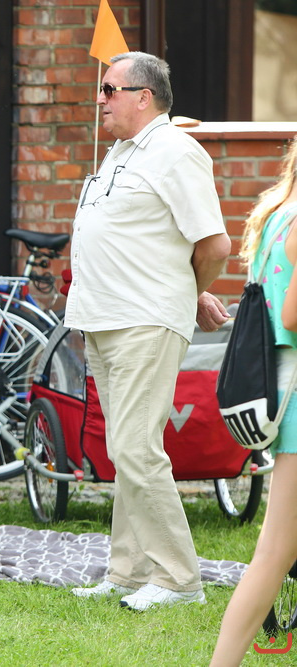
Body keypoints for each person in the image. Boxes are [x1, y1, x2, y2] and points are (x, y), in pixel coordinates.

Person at [64, 52, 230, 610]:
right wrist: (191, 291)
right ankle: (129, 571)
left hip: (144, 320)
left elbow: (213, 245)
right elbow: (151, 239)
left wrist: (186, 291)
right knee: (124, 448)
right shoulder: (119, 151)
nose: (100, 98)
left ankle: (180, 580)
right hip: (104, 318)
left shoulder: (176, 151)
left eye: (110, 89)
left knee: (136, 448)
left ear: (144, 96)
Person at [210, 139, 297, 665]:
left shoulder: (276, 212)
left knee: (276, 550)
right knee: (274, 552)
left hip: (280, 391)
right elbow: (292, 315)